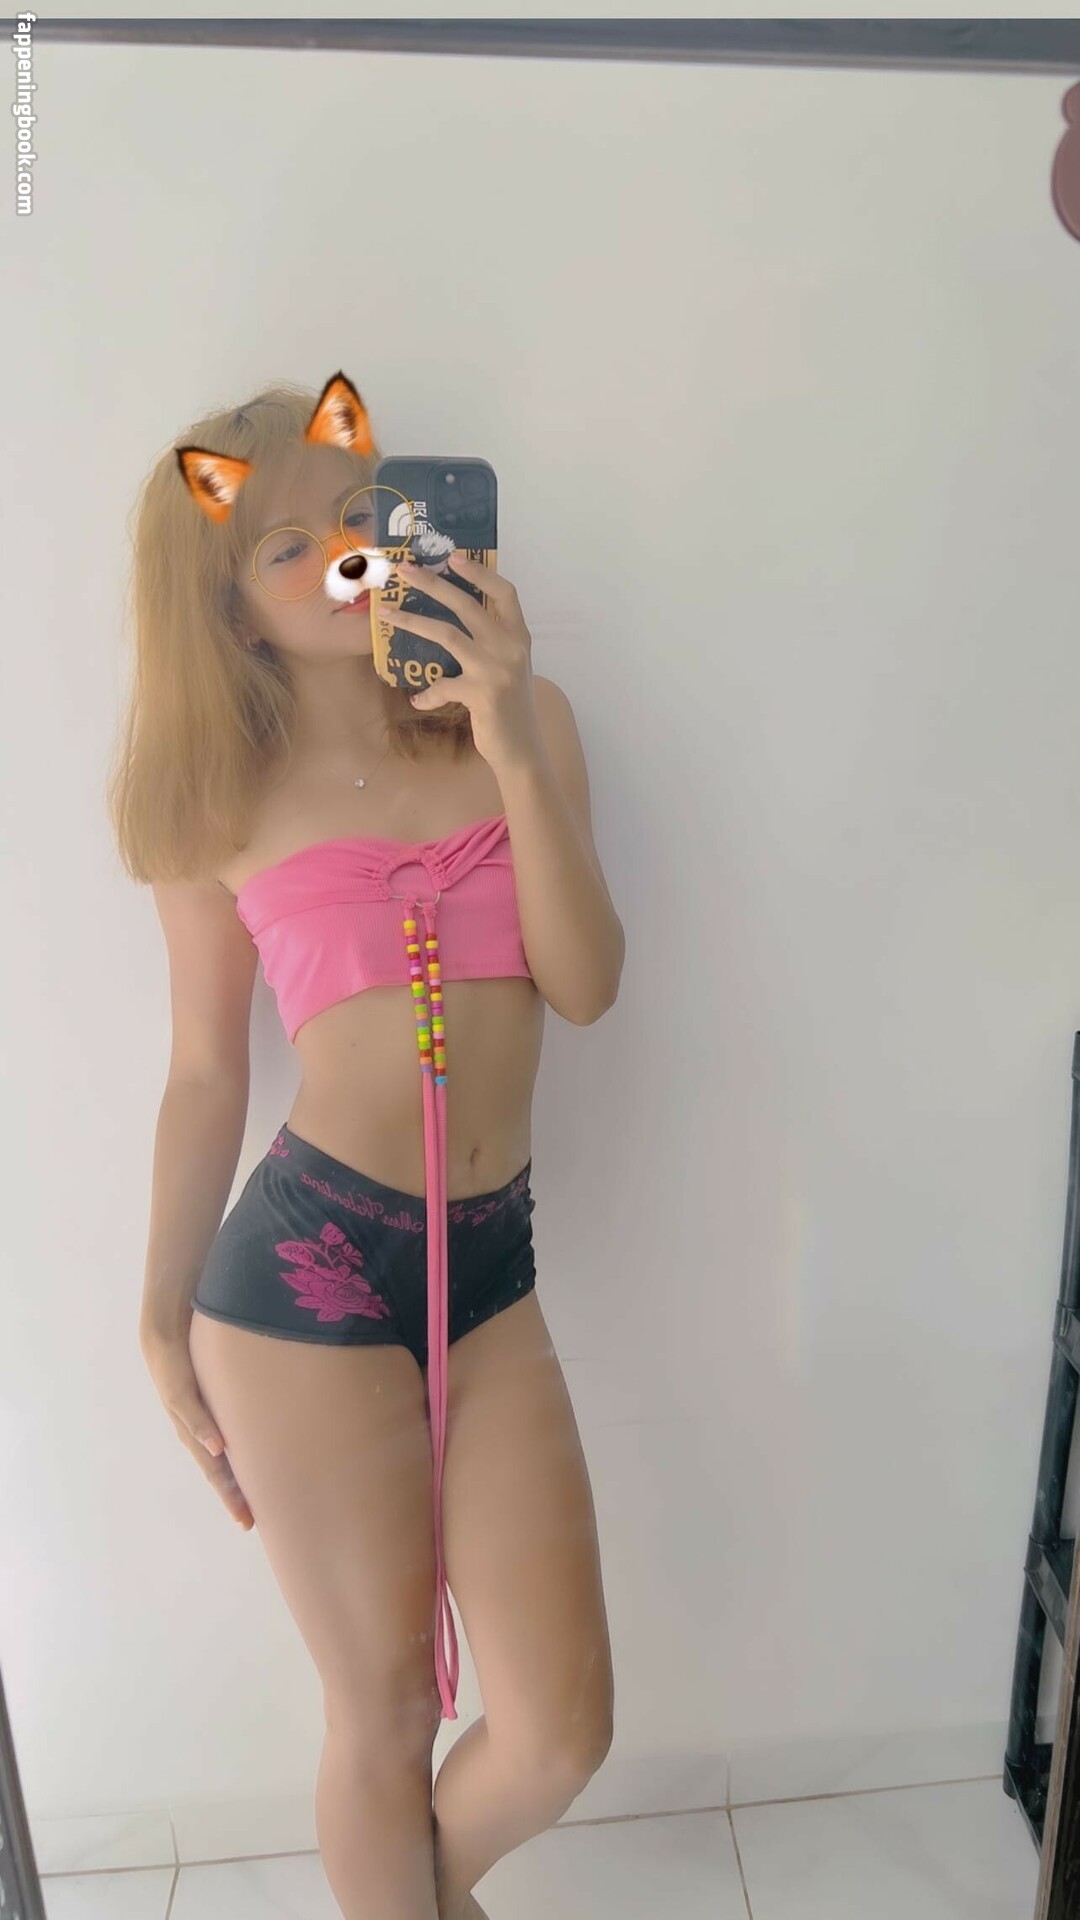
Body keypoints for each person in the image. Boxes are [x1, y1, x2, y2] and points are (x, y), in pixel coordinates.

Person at [109, 370, 623, 1920]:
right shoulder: (216, 804)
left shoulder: (529, 724)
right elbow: (206, 1074)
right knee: (386, 1718)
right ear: (230, 608)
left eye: (358, 513)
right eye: (287, 546)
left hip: (494, 1269)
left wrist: (508, 735)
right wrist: (156, 1314)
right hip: (302, 1286)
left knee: (558, 1732)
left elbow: (588, 985)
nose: (343, 551)